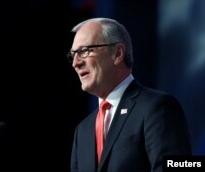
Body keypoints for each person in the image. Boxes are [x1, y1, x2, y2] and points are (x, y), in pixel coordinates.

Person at [67, 17, 192, 172]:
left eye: (85, 51)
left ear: (118, 54)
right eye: (73, 55)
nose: (76, 63)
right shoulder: (83, 131)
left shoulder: (157, 108)